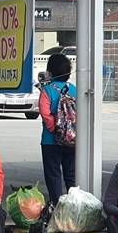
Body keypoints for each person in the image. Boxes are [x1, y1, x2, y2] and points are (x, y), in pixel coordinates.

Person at [38, 53, 77, 205]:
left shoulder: (47, 90)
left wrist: (55, 129)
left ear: (50, 72)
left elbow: (45, 112)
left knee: (53, 174)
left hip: (50, 140)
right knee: (71, 175)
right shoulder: (74, 89)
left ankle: (58, 206)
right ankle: (74, 206)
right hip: (71, 139)